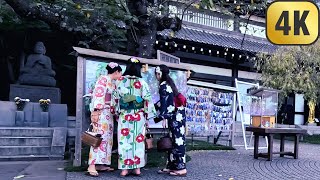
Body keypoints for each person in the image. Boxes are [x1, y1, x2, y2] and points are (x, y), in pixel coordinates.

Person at [112, 57, 156, 177]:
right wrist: (147, 114)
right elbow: (147, 100)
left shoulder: (119, 81)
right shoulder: (142, 82)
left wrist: (116, 112)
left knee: (124, 141)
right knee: (138, 142)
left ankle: (124, 169)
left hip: (125, 115)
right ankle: (137, 168)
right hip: (138, 115)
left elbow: (115, 99)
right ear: (138, 68)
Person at [87, 62, 122, 177]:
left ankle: (101, 164)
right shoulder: (103, 79)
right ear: (116, 72)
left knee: (107, 140)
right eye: (120, 72)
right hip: (101, 113)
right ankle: (91, 165)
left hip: (109, 114)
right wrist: (96, 111)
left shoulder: (113, 83)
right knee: (97, 138)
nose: (120, 75)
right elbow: (98, 95)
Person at [155, 65, 187, 176]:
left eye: (156, 74)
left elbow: (166, 103)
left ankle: (181, 168)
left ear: (159, 74)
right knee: (174, 141)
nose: (156, 76)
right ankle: (172, 165)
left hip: (174, 116)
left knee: (177, 141)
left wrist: (163, 117)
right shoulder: (169, 84)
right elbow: (166, 102)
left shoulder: (164, 85)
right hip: (177, 115)